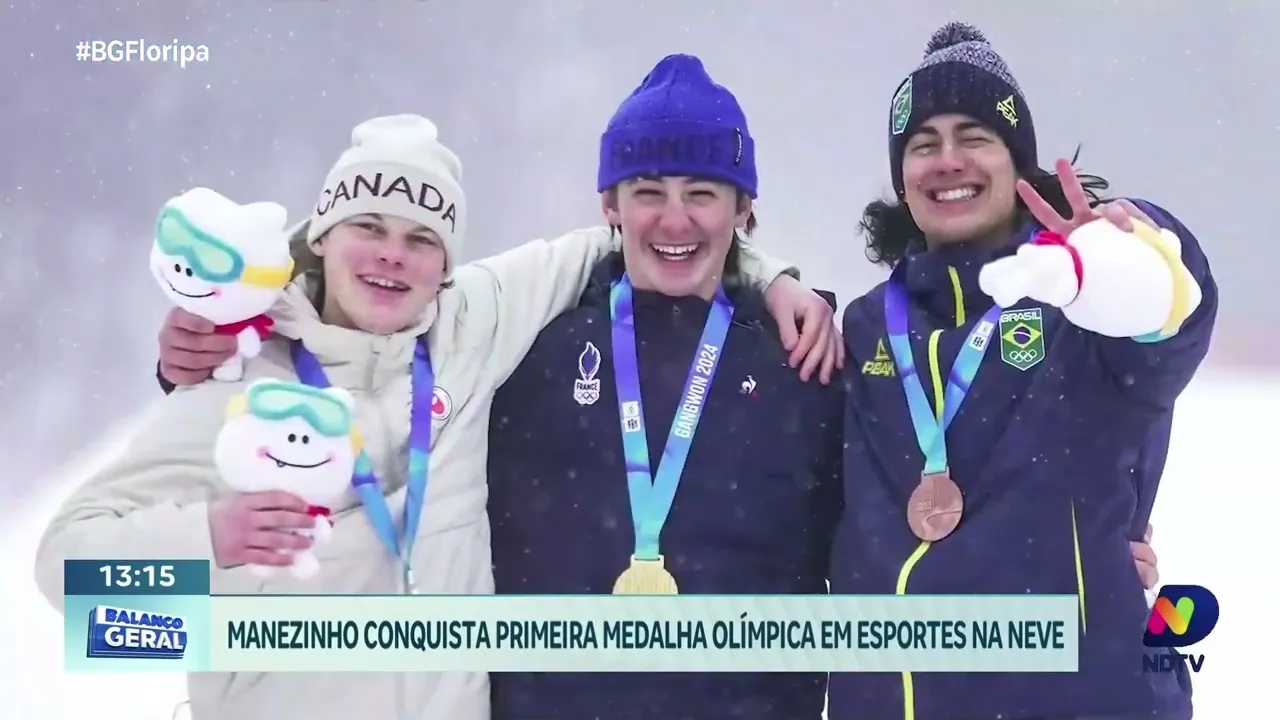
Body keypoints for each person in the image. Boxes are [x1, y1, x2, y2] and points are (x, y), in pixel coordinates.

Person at [34, 113, 840, 720]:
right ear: (321, 238)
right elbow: (67, 572)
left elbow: (635, 237)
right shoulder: (240, 384)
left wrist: (771, 278)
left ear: (447, 265)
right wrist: (210, 541)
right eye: (369, 229)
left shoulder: (469, 331)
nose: (392, 255)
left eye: (421, 239)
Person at [828, 22, 1216, 720]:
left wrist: (1132, 251)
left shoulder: (1085, 309)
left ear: (1017, 163)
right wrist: (770, 282)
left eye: (974, 137)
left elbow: (1172, 303)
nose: (947, 161)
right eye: (923, 144)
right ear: (901, 177)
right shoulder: (861, 330)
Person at [485, 54, 843, 720]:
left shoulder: (803, 363)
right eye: (649, 191)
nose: (674, 222)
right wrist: (243, 325)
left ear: (743, 208)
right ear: (610, 205)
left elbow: (866, 564)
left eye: (702, 193)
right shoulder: (529, 352)